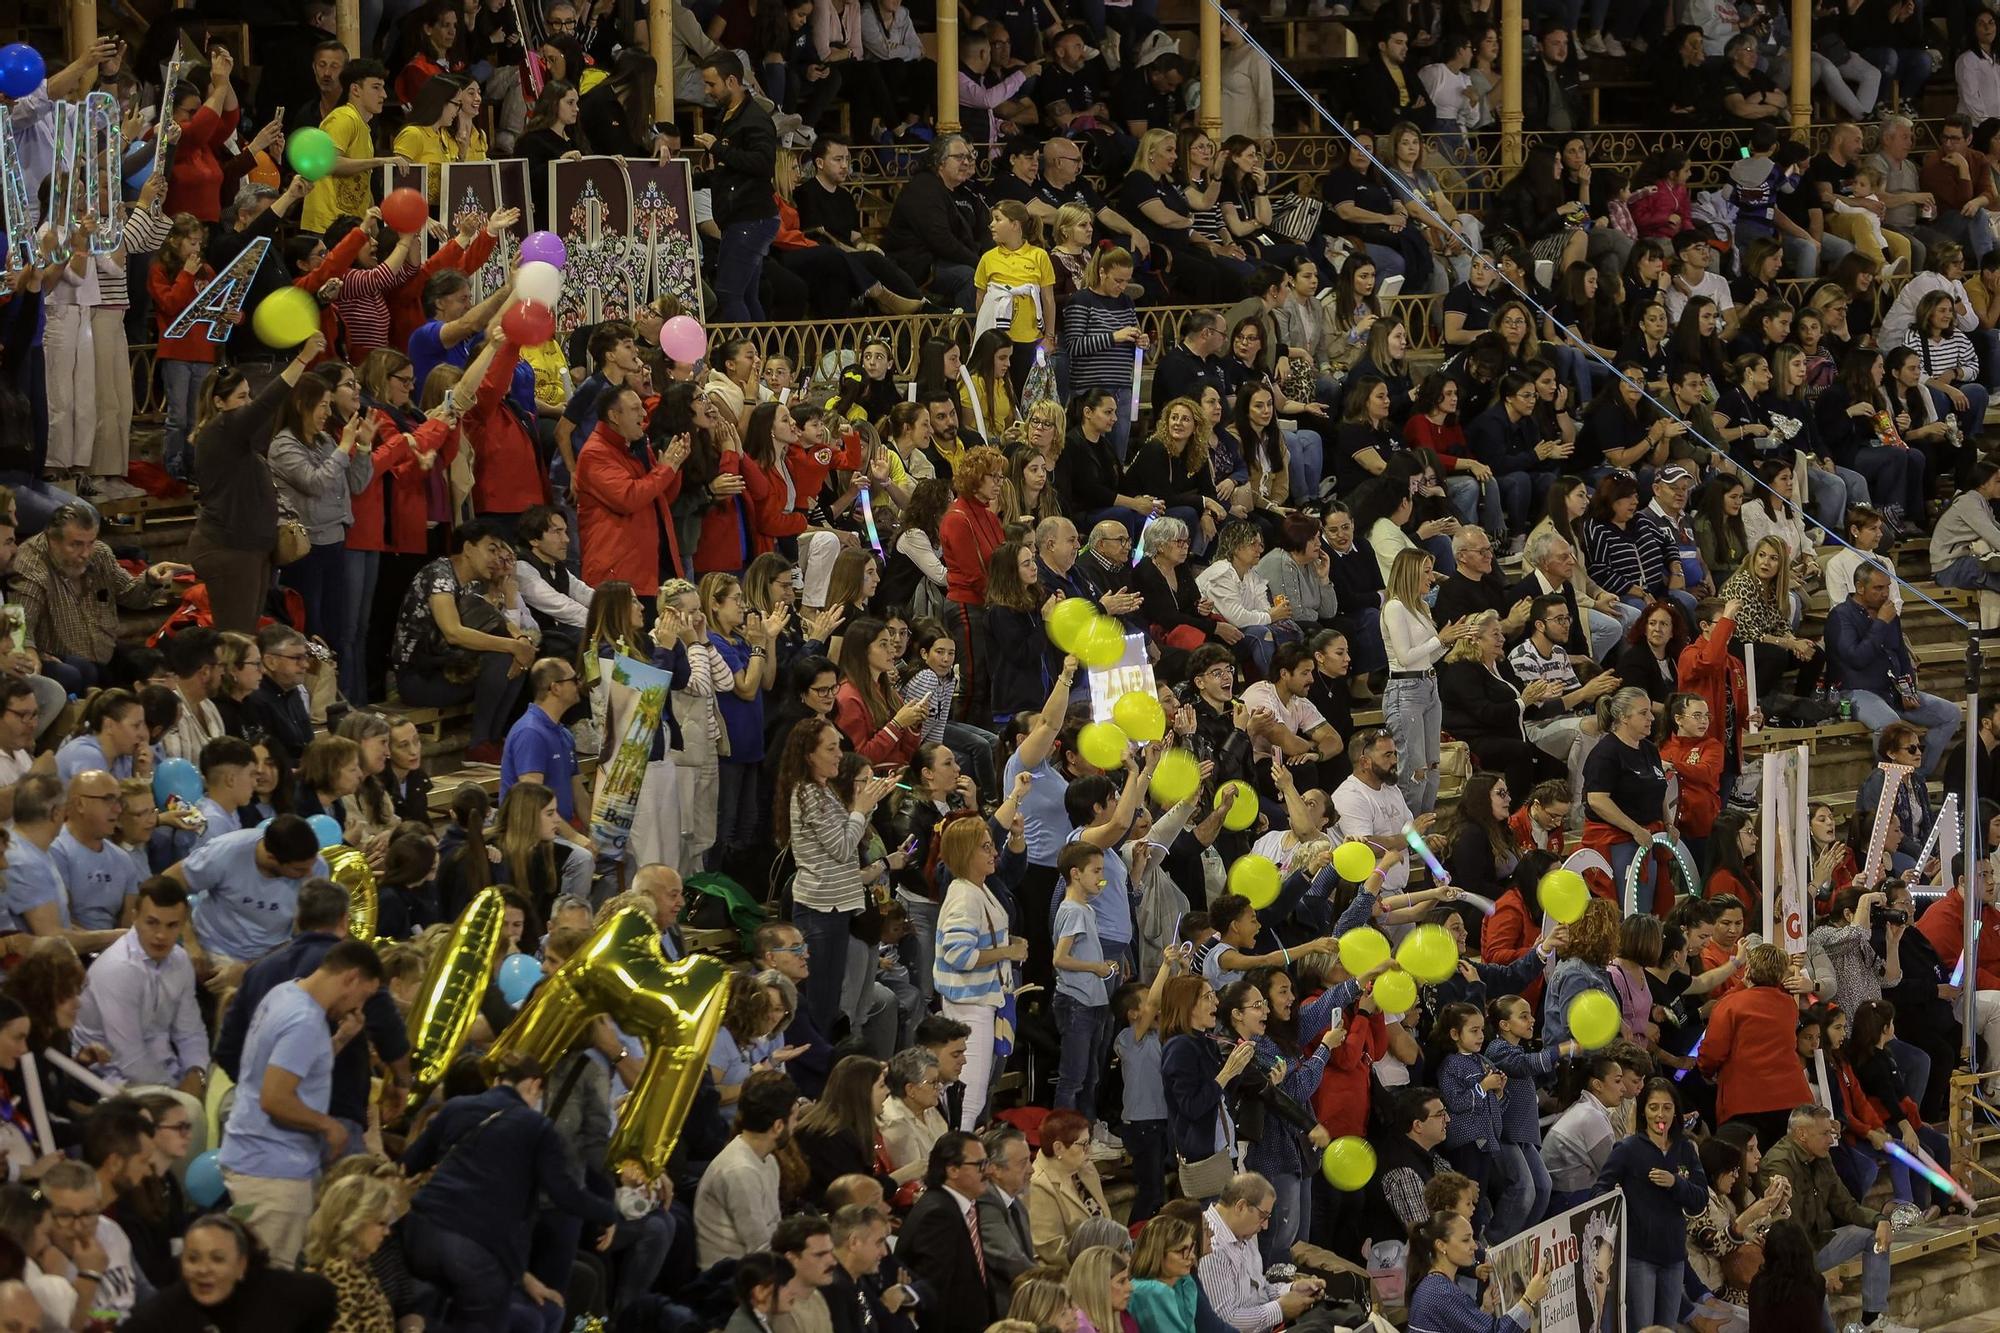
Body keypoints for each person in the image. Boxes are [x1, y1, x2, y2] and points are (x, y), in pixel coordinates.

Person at [402, 1051, 622, 1331]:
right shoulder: (536, 1127)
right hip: (474, 1248)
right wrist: (607, 1212)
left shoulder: (456, 1107)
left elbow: (409, 1164)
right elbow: (564, 1193)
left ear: (498, 1080)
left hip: (421, 1233)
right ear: (533, 1085)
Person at [216, 940, 385, 1268]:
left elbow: (299, 1070)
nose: (358, 1007)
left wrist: (340, 1040)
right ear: (350, 978)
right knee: (267, 1284)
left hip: (255, 1159)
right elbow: (275, 1098)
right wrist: (328, 1125)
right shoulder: (305, 1022)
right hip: (273, 1174)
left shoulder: (285, 993)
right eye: (363, 995)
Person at [390, 520, 535, 762]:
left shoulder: (472, 583)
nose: (498, 557)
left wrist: (520, 640)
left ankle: (493, 738)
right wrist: (511, 645)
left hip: (450, 667)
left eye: (501, 550)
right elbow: (453, 632)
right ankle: (479, 744)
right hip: (419, 678)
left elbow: (495, 620)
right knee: (501, 656)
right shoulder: (439, 574)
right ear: (468, 548)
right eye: (492, 549)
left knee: (519, 655)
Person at [1758, 1104, 1908, 1333]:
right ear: (1801, 1134)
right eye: (1825, 1134)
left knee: (1873, 1234)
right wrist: (1814, 1270)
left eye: (1831, 1132)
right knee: (1822, 1320)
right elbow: (1788, 1228)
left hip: (1818, 1242)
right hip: (1791, 1258)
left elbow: (1845, 1205)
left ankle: (1872, 1320)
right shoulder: (1779, 1164)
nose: (1831, 1139)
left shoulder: (1821, 1157)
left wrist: (1880, 1220)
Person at [1824, 563, 1961, 780]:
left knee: (1950, 714)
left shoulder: (1888, 614)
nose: (1885, 593)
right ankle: (1885, 783)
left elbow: (1901, 656)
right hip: (1855, 691)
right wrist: (1879, 624)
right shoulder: (1841, 616)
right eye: (1878, 588)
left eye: (1887, 587)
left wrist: (1909, 690)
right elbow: (1856, 659)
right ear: (1860, 588)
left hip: (1892, 690)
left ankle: (1916, 777)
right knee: (1889, 723)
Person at [72, 877, 207, 1092]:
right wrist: (178, 1092)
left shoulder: (180, 961)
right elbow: (128, 1058)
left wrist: (197, 1073)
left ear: (183, 925)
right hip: (109, 1077)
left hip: (164, 1068)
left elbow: (190, 1032)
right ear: (135, 918)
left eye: (172, 925)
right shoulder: (118, 968)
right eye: (152, 923)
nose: (161, 935)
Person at [1595, 1077, 1708, 1325]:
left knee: (1667, 1329)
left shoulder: (1685, 1148)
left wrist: (1676, 1183)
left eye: (1667, 1107)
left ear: (1675, 1111)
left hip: (1674, 1256)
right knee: (1643, 1328)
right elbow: (1599, 1192)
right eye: (1653, 1107)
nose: (1660, 1114)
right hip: (1639, 1257)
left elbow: (1700, 1200)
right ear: (1643, 1111)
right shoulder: (1627, 1148)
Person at [121, 1213, 339, 1333]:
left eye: (218, 1259)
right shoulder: (167, 1309)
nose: (203, 1270)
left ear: (241, 1265)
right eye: (193, 1259)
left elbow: (324, 1294)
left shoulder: (275, 1289)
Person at [897, 1133, 1003, 1333]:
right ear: (952, 1170)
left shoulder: (964, 1204)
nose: (988, 1170)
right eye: (980, 1164)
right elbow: (936, 1291)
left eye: (987, 1162)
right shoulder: (938, 1215)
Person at [1404, 1208, 1550, 1332]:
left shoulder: (1431, 1284)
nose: (1474, 1246)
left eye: (1473, 1238)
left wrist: (1483, 1312)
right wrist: (1530, 1298)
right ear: (1441, 1245)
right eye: (1466, 1240)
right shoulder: (1443, 1293)